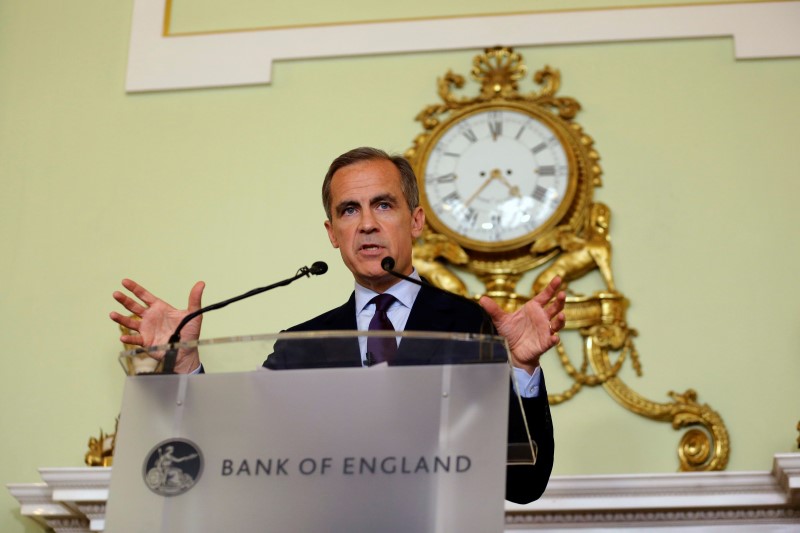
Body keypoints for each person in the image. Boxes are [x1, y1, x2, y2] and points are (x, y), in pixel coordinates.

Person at [111, 147, 566, 504]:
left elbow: (523, 484)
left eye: (383, 205)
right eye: (349, 210)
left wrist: (522, 370)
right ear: (332, 233)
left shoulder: (469, 325)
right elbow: (236, 453)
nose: (367, 224)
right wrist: (186, 365)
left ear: (417, 221)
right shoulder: (303, 345)